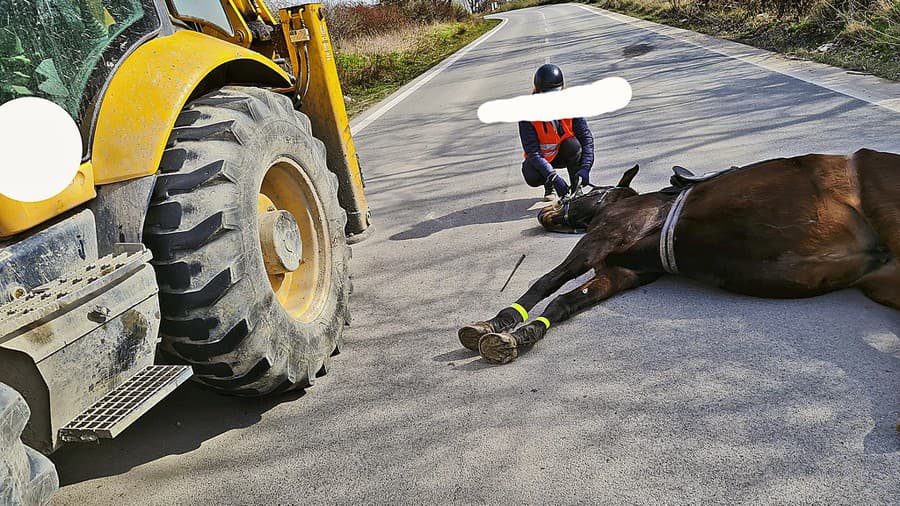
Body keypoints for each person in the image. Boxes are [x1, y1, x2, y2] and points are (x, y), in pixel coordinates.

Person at [519, 64, 595, 201]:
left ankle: (575, 188)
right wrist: (554, 178)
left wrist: (585, 167)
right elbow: (533, 153)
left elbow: (586, 138)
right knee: (532, 175)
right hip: (541, 160)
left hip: (563, 153)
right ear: (539, 92)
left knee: (573, 145)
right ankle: (549, 185)